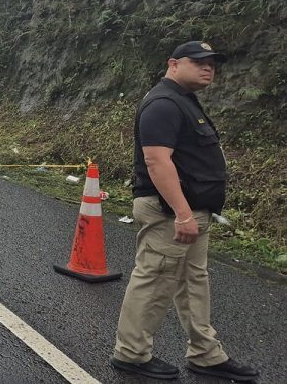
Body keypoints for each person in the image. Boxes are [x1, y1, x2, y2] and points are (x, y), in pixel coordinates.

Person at [110, 41, 259, 382]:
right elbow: (157, 161)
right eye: (199, 62)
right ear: (173, 64)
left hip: (192, 212)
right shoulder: (164, 104)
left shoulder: (185, 102)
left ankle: (205, 354)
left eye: (213, 64)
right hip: (170, 214)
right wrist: (182, 213)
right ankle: (131, 354)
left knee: (194, 282)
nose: (209, 68)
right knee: (154, 280)